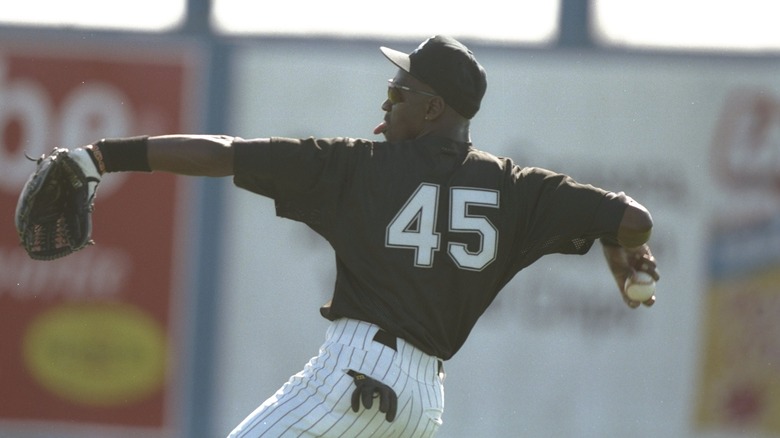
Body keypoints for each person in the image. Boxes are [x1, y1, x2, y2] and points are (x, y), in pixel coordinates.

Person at [68, 35, 659, 437]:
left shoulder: (360, 168)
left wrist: (100, 157)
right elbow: (630, 219)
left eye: (398, 92)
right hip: (423, 406)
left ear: (432, 109)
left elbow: (224, 154)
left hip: (357, 377)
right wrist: (624, 257)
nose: (386, 102)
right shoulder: (518, 189)